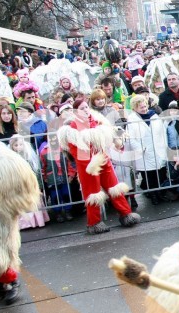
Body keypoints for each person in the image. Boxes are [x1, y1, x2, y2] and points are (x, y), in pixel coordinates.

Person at [57, 100, 141, 234]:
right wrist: (89, 161)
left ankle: (126, 214)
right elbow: (75, 150)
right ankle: (94, 223)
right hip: (88, 165)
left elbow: (110, 134)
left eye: (86, 107)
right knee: (93, 194)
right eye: (82, 108)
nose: (86, 110)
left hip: (103, 159)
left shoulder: (97, 121)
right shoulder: (73, 128)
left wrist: (117, 138)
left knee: (115, 188)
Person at [0, 140, 41, 304]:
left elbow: (23, 184)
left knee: (3, 248)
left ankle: (9, 281)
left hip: (2, 212)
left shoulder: (4, 158)